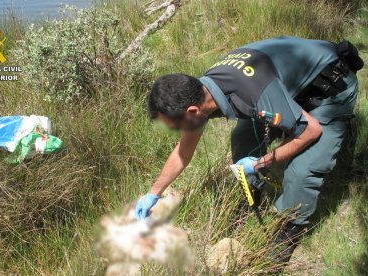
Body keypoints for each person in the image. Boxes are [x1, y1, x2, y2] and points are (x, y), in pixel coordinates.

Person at [134, 36, 363, 264]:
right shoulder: (200, 91)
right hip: (284, 88)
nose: (177, 132)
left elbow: (311, 131)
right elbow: (182, 153)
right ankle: (251, 197)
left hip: (329, 88)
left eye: (175, 126)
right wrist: (153, 194)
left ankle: (284, 240)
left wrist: (260, 163)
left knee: (301, 173)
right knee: (242, 138)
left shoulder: (251, 92)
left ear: (193, 111)